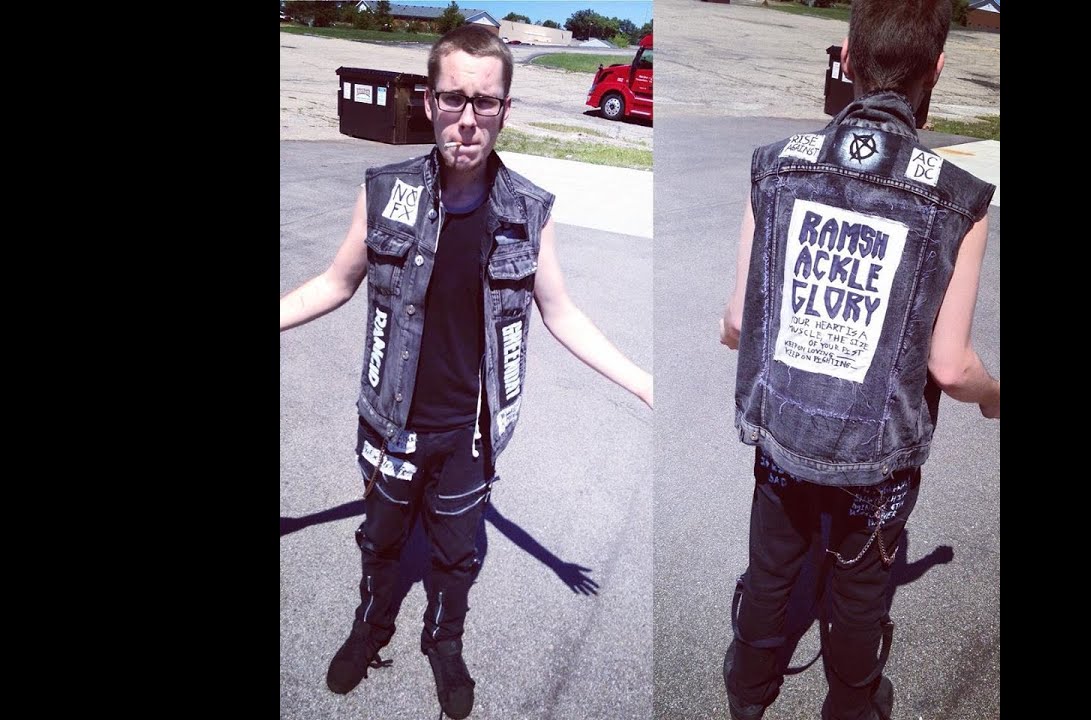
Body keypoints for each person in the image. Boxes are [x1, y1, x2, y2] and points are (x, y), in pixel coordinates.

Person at [279, 25, 653, 720]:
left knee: (456, 553)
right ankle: (371, 627)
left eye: (486, 102)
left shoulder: (527, 212)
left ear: (506, 110)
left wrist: (643, 382)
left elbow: (562, 313)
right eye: (454, 98)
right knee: (380, 540)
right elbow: (335, 282)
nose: (468, 118)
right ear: (429, 102)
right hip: (389, 423)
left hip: (468, 435)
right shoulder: (386, 192)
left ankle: (445, 640)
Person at [717, 1, 999, 719]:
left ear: (846, 57)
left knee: (772, 567)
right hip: (879, 462)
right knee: (860, 586)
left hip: (784, 437)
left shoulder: (777, 165)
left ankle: (748, 689)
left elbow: (735, 322)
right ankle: (851, 703)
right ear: (938, 68)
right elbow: (951, 367)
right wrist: (996, 395)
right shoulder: (959, 199)